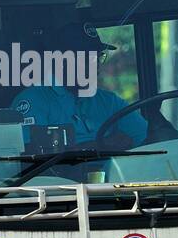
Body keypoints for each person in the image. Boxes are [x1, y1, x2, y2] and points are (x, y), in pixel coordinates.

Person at [9, 21, 147, 149]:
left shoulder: (109, 102)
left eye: (98, 57)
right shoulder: (33, 101)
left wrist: (159, 127)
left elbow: (148, 139)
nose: (96, 66)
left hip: (118, 175)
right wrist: (103, 144)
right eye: (87, 58)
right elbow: (34, 160)